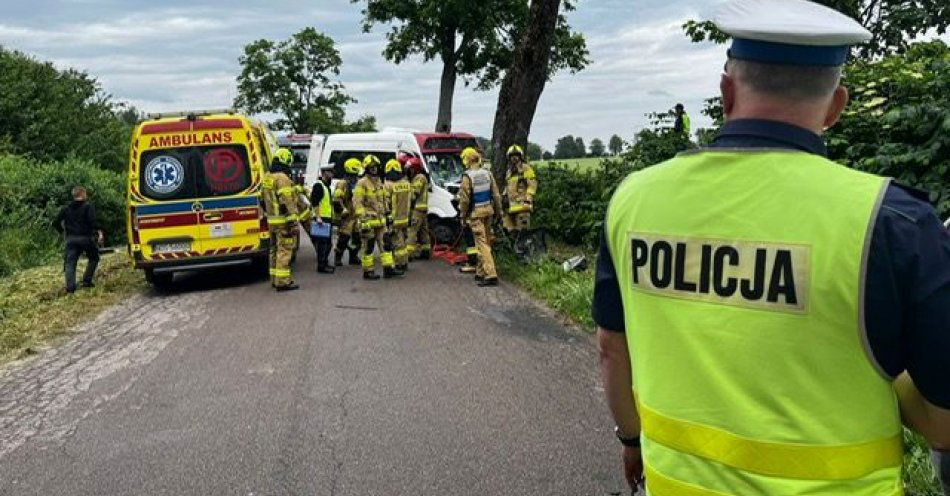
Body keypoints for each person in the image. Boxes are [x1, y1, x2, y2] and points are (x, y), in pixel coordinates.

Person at [593, 1, 950, 494]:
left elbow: (612, 348)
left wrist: (631, 438)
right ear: (836, 106)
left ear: (726, 91)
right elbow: (944, 419)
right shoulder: (892, 222)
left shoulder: (632, 201)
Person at [456, 147, 503, 287]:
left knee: (481, 244)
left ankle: (490, 274)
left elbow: (464, 200)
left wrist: (462, 216)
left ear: (467, 160)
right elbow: (496, 195)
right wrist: (499, 213)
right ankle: (480, 272)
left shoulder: (467, 176)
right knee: (486, 242)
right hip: (489, 211)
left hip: (476, 214)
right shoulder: (487, 173)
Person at [353, 155, 399, 280]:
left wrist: (388, 213)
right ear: (367, 168)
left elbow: (384, 200)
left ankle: (388, 268)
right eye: (371, 167)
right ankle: (368, 271)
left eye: (375, 167)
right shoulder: (362, 183)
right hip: (368, 221)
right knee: (369, 247)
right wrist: (363, 218)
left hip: (381, 220)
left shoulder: (379, 182)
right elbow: (357, 203)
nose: (374, 170)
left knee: (386, 244)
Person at [262, 148, 300, 291]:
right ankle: (283, 282)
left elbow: (262, 199)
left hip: (271, 221)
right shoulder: (283, 178)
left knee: (273, 250)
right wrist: (293, 222)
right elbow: (286, 202)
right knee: (284, 250)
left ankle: (274, 279)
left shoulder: (267, 177)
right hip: (283, 222)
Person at [53, 186, 103, 294]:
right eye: (85, 194)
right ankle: (87, 280)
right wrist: (99, 233)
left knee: (70, 263)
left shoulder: (66, 208)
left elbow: (55, 223)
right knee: (94, 257)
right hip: (85, 238)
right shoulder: (88, 206)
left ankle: (70, 287)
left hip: (71, 239)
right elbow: (93, 222)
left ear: (74, 195)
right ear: (83, 194)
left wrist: (62, 232)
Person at [501, 145, 537, 257]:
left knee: (523, 233)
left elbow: (532, 185)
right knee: (511, 231)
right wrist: (503, 198)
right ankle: (515, 254)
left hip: (522, 207)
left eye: (516, 156)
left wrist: (528, 199)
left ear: (520, 157)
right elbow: (508, 187)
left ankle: (526, 256)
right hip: (511, 208)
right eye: (512, 156)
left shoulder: (526, 169)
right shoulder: (509, 171)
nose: (514, 158)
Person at [384, 158, 413, 273]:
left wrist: (387, 217)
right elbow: (412, 199)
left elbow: (385, 202)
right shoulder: (407, 184)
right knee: (403, 242)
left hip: (394, 219)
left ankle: (400, 264)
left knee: (397, 244)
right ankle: (404, 262)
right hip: (405, 218)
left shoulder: (388, 185)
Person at [333, 158, 362, 267]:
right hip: (347, 217)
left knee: (357, 238)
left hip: (356, 216)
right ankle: (338, 257)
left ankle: (353, 257)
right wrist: (343, 209)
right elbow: (337, 199)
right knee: (343, 239)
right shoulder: (342, 183)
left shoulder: (358, 183)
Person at [310, 166, 335, 274]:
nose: (332, 175)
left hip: (327, 218)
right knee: (323, 244)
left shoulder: (326, 186)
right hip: (322, 219)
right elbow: (314, 202)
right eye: (330, 172)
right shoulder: (318, 186)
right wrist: (318, 217)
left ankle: (324, 263)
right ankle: (321, 266)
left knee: (328, 244)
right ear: (324, 173)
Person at [406, 156, 432, 260]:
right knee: (423, 231)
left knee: (412, 231)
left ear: (415, 168)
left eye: (410, 169)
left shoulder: (419, 177)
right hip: (422, 209)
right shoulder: (420, 176)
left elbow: (414, 193)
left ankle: (408, 254)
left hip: (417, 209)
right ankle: (426, 251)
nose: (409, 171)